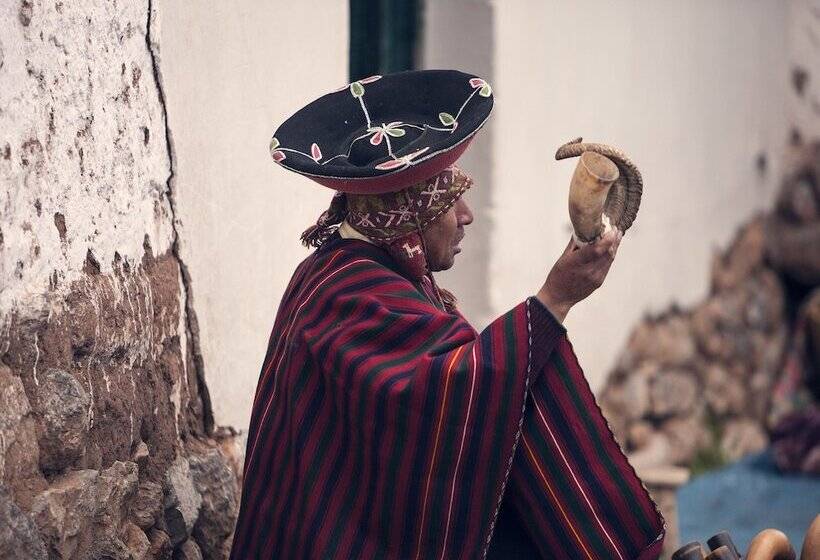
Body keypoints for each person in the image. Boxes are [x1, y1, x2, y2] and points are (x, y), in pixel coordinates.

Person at [230, 70, 665, 559]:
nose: (466, 215)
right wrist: (553, 300)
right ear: (409, 216)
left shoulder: (365, 273)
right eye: (448, 200)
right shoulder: (346, 293)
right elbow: (443, 395)